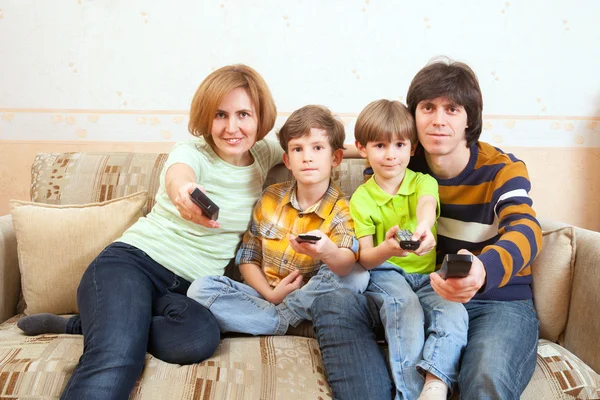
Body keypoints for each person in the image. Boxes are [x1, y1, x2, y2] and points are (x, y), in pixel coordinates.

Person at [17, 64, 283, 400]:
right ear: (206, 117)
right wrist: (183, 193)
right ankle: (113, 327)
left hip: (186, 292)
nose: (232, 127)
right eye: (220, 115)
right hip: (131, 265)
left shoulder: (263, 153)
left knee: (198, 339)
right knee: (117, 358)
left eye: (243, 114)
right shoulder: (191, 151)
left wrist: (358, 151)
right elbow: (179, 175)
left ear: (260, 118)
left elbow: (318, 143)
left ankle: (87, 324)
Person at [311, 57, 542, 400]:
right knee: (334, 301)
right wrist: (329, 150)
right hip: (422, 289)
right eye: (427, 108)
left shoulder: (502, 169)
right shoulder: (401, 163)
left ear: (470, 119)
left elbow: (526, 229)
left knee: (484, 377)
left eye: (452, 109)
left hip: (497, 301)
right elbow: (374, 142)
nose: (437, 120)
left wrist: (484, 269)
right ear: (412, 118)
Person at [187, 105, 369, 335]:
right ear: (288, 160)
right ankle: (277, 321)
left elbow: (344, 263)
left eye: (317, 148)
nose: (307, 157)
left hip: (307, 299)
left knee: (357, 275)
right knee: (199, 289)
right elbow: (247, 258)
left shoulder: (343, 209)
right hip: (264, 296)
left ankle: (283, 317)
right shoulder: (271, 197)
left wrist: (325, 251)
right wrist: (272, 295)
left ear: (336, 158)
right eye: (298, 149)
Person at [350, 99, 468, 400]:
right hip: (386, 273)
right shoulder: (361, 200)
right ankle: (409, 392)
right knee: (406, 308)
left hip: (427, 275)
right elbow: (364, 258)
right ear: (362, 149)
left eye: (400, 145)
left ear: (412, 148)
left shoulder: (423, 182)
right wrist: (388, 249)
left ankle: (435, 384)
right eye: (380, 146)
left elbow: (427, 205)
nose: (391, 156)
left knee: (453, 311)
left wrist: (425, 227)